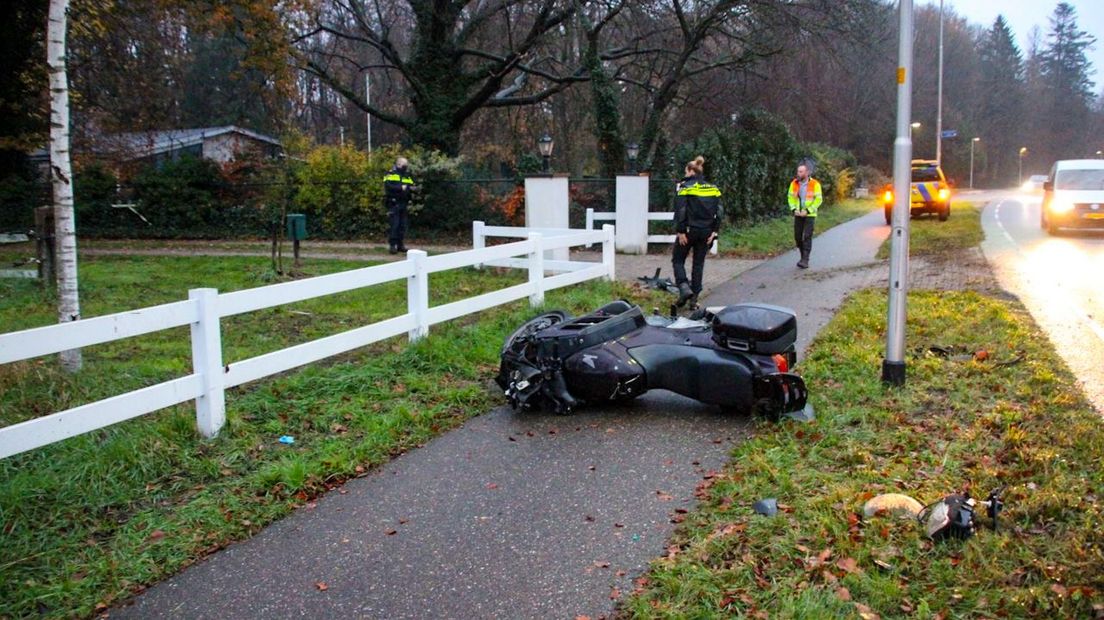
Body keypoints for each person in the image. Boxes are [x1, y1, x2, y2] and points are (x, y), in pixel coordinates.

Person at [672, 156, 722, 309]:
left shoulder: (685, 188)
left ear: (691, 171)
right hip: (706, 232)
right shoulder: (713, 189)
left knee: (678, 260)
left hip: (689, 231)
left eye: (685, 171)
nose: (685, 174)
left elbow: (681, 210)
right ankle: (694, 299)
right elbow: (719, 211)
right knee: (698, 264)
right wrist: (715, 231)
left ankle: (683, 287)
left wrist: (681, 231)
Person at [787, 162, 823, 269]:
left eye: (801, 171)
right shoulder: (794, 183)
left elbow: (819, 199)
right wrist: (794, 209)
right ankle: (803, 256)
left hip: (810, 214)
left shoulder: (815, 184)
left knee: (807, 236)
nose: (798, 173)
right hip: (798, 213)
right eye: (798, 171)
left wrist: (808, 210)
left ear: (807, 172)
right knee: (797, 237)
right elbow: (790, 197)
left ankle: (805, 260)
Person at [383, 157, 416, 254]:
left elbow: (411, 185)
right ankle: (392, 246)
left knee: (402, 225)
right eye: (404, 164)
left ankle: (400, 245)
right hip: (394, 202)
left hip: (404, 203)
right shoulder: (390, 174)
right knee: (394, 225)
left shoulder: (406, 175)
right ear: (398, 164)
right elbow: (388, 186)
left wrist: (411, 189)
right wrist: (400, 187)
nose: (406, 167)